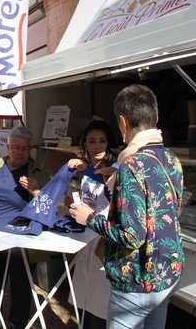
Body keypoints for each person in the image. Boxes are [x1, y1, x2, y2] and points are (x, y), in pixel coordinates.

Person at [69, 84, 185, 329]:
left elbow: (131, 236)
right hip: (167, 274)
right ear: (155, 117)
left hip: (137, 280)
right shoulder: (171, 159)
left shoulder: (132, 166)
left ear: (123, 122)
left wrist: (89, 217)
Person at [0, 126, 50, 329]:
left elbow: (50, 206)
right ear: (8, 147)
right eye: (16, 147)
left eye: (25, 148)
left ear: (30, 150)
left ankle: (17, 323)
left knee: (21, 283)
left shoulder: (38, 172)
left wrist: (37, 191)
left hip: (22, 236)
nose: (20, 152)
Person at [65, 120, 118, 326]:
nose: (97, 146)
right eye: (92, 141)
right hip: (86, 235)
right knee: (84, 296)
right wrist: (74, 202)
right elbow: (89, 198)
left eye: (102, 141)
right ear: (85, 144)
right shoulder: (88, 168)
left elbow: (108, 190)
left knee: (102, 298)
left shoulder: (114, 169)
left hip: (105, 236)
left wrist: (84, 167)